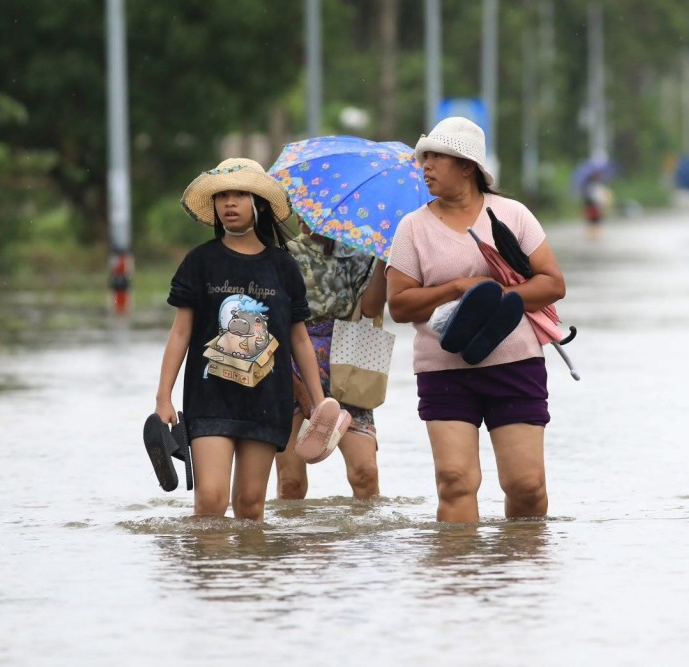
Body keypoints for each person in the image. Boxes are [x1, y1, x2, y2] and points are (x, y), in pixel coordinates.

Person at [385, 116, 567, 523]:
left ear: (467, 166)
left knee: (527, 485)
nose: (426, 166)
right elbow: (399, 307)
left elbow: (553, 284)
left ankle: (516, 575)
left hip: (516, 363)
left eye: (436, 157)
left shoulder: (513, 215)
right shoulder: (411, 229)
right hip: (443, 368)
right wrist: (456, 289)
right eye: (424, 158)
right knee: (454, 481)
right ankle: (458, 576)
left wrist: (495, 295)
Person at [152, 157, 340, 522]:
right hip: (209, 398)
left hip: (267, 400)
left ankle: (248, 578)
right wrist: (164, 397)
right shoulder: (200, 262)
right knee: (211, 500)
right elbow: (181, 332)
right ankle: (209, 574)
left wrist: (319, 404)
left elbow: (299, 339)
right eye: (223, 195)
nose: (229, 203)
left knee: (252, 505)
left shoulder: (283, 266)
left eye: (240, 194)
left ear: (259, 204)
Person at [274, 220, 386, 501]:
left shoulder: (361, 254)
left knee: (365, 472)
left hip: (348, 361)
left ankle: (365, 542)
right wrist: (298, 388)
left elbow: (372, 308)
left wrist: (385, 257)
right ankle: (290, 543)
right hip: (291, 362)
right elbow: (270, 323)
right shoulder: (283, 255)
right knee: (291, 482)